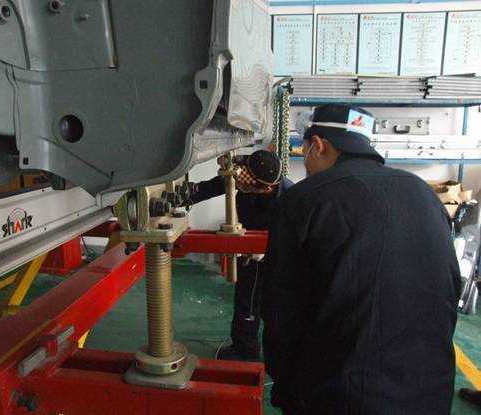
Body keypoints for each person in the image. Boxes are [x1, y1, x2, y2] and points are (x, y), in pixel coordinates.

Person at [261, 104, 461, 414]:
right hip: (429, 391)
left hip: (342, 396)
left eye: (305, 151)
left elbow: (281, 310)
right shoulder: (423, 194)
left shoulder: (304, 199)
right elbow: (449, 287)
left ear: (318, 145)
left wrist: (287, 389)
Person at [187, 149, 293, 361]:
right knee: (245, 296)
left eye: (246, 186)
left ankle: (249, 352)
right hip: (247, 246)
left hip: (270, 255)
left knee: (260, 301)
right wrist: (181, 197)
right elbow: (214, 186)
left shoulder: (289, 200)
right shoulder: (246, 170)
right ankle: (244, 346)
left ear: (266, 188)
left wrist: (269, 251)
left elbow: (295, 237)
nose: (240, 186)